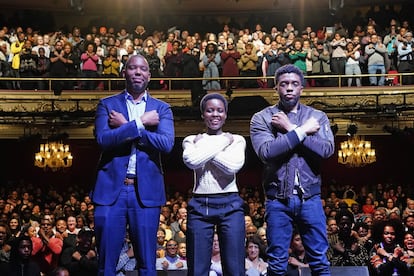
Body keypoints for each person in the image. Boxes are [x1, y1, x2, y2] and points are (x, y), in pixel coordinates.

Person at [92, 54, 175, 276]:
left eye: (143, 69)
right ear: (124, 73)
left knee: (147, 264)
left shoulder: (162, 109)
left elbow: (166, 144)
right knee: (106, 264)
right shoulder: (107, 104)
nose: (137, 72)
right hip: (112, 192)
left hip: (145, 193)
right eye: (132, 68)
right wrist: (140, 123)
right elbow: (103, 140)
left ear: (149, 75)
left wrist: (126, 127)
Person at [250, 64, 335, 275]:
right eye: (284, 84)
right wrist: (303, 132)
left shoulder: (317, 116)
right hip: (277, 199)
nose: (289, 88)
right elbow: (267, 152)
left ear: (302, 89)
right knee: (277, 263)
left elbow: (326, 150)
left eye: (294, 84)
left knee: (320, 261)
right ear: (276, 88)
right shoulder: (262, 118)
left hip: (311, 198)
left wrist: (290, 129)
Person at [182, 92, 246, 276]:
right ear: (203, 114)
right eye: (210, 111)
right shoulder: (190, 139)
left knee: (234, 268)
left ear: (225, 114)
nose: (215, 114)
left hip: (231, 204)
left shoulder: (237, 139)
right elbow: (192, 161)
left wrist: (204, 148)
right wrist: (223, 143)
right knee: (197, 269)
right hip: (200, 205)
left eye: (219, 110)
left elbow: (232, 167)